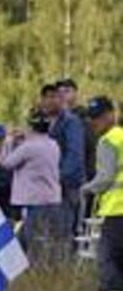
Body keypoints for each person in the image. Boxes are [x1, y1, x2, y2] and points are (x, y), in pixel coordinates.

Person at [0, 108, 62, 265]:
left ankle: (33, 277)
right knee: (42, 242)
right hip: (52, 200)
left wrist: (8, 142)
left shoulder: (29, 147)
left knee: (33, 244)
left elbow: (4, 163)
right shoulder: (54, 145)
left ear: (31, 127)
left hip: (34, 202)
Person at [81, 96, 123, 291]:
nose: (93, 123)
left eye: (97, 118)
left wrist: (87, 188)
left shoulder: (108, 141)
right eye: (90, 119)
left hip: (116, 213)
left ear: (110, 114)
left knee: (107, 264)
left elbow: (106, 178)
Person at [42, 82, 86, 245]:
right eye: (46, 97)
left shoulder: (71, 121)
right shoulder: (43, 123)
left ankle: (65, 269)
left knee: (64, 235)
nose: (50, 100)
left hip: (67, 188)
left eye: (55, 96)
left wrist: (57, 179)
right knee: (48, 235)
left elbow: (75, 156)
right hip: (48, 189)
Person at [57, 78, 98, 210]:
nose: (62, 95)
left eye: (67, 91)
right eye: (59, 92)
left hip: (83, 179)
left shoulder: (85, 117)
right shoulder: (58, 119)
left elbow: (85, 146)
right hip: (62, 181)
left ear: (76, 93)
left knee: (77, 225)